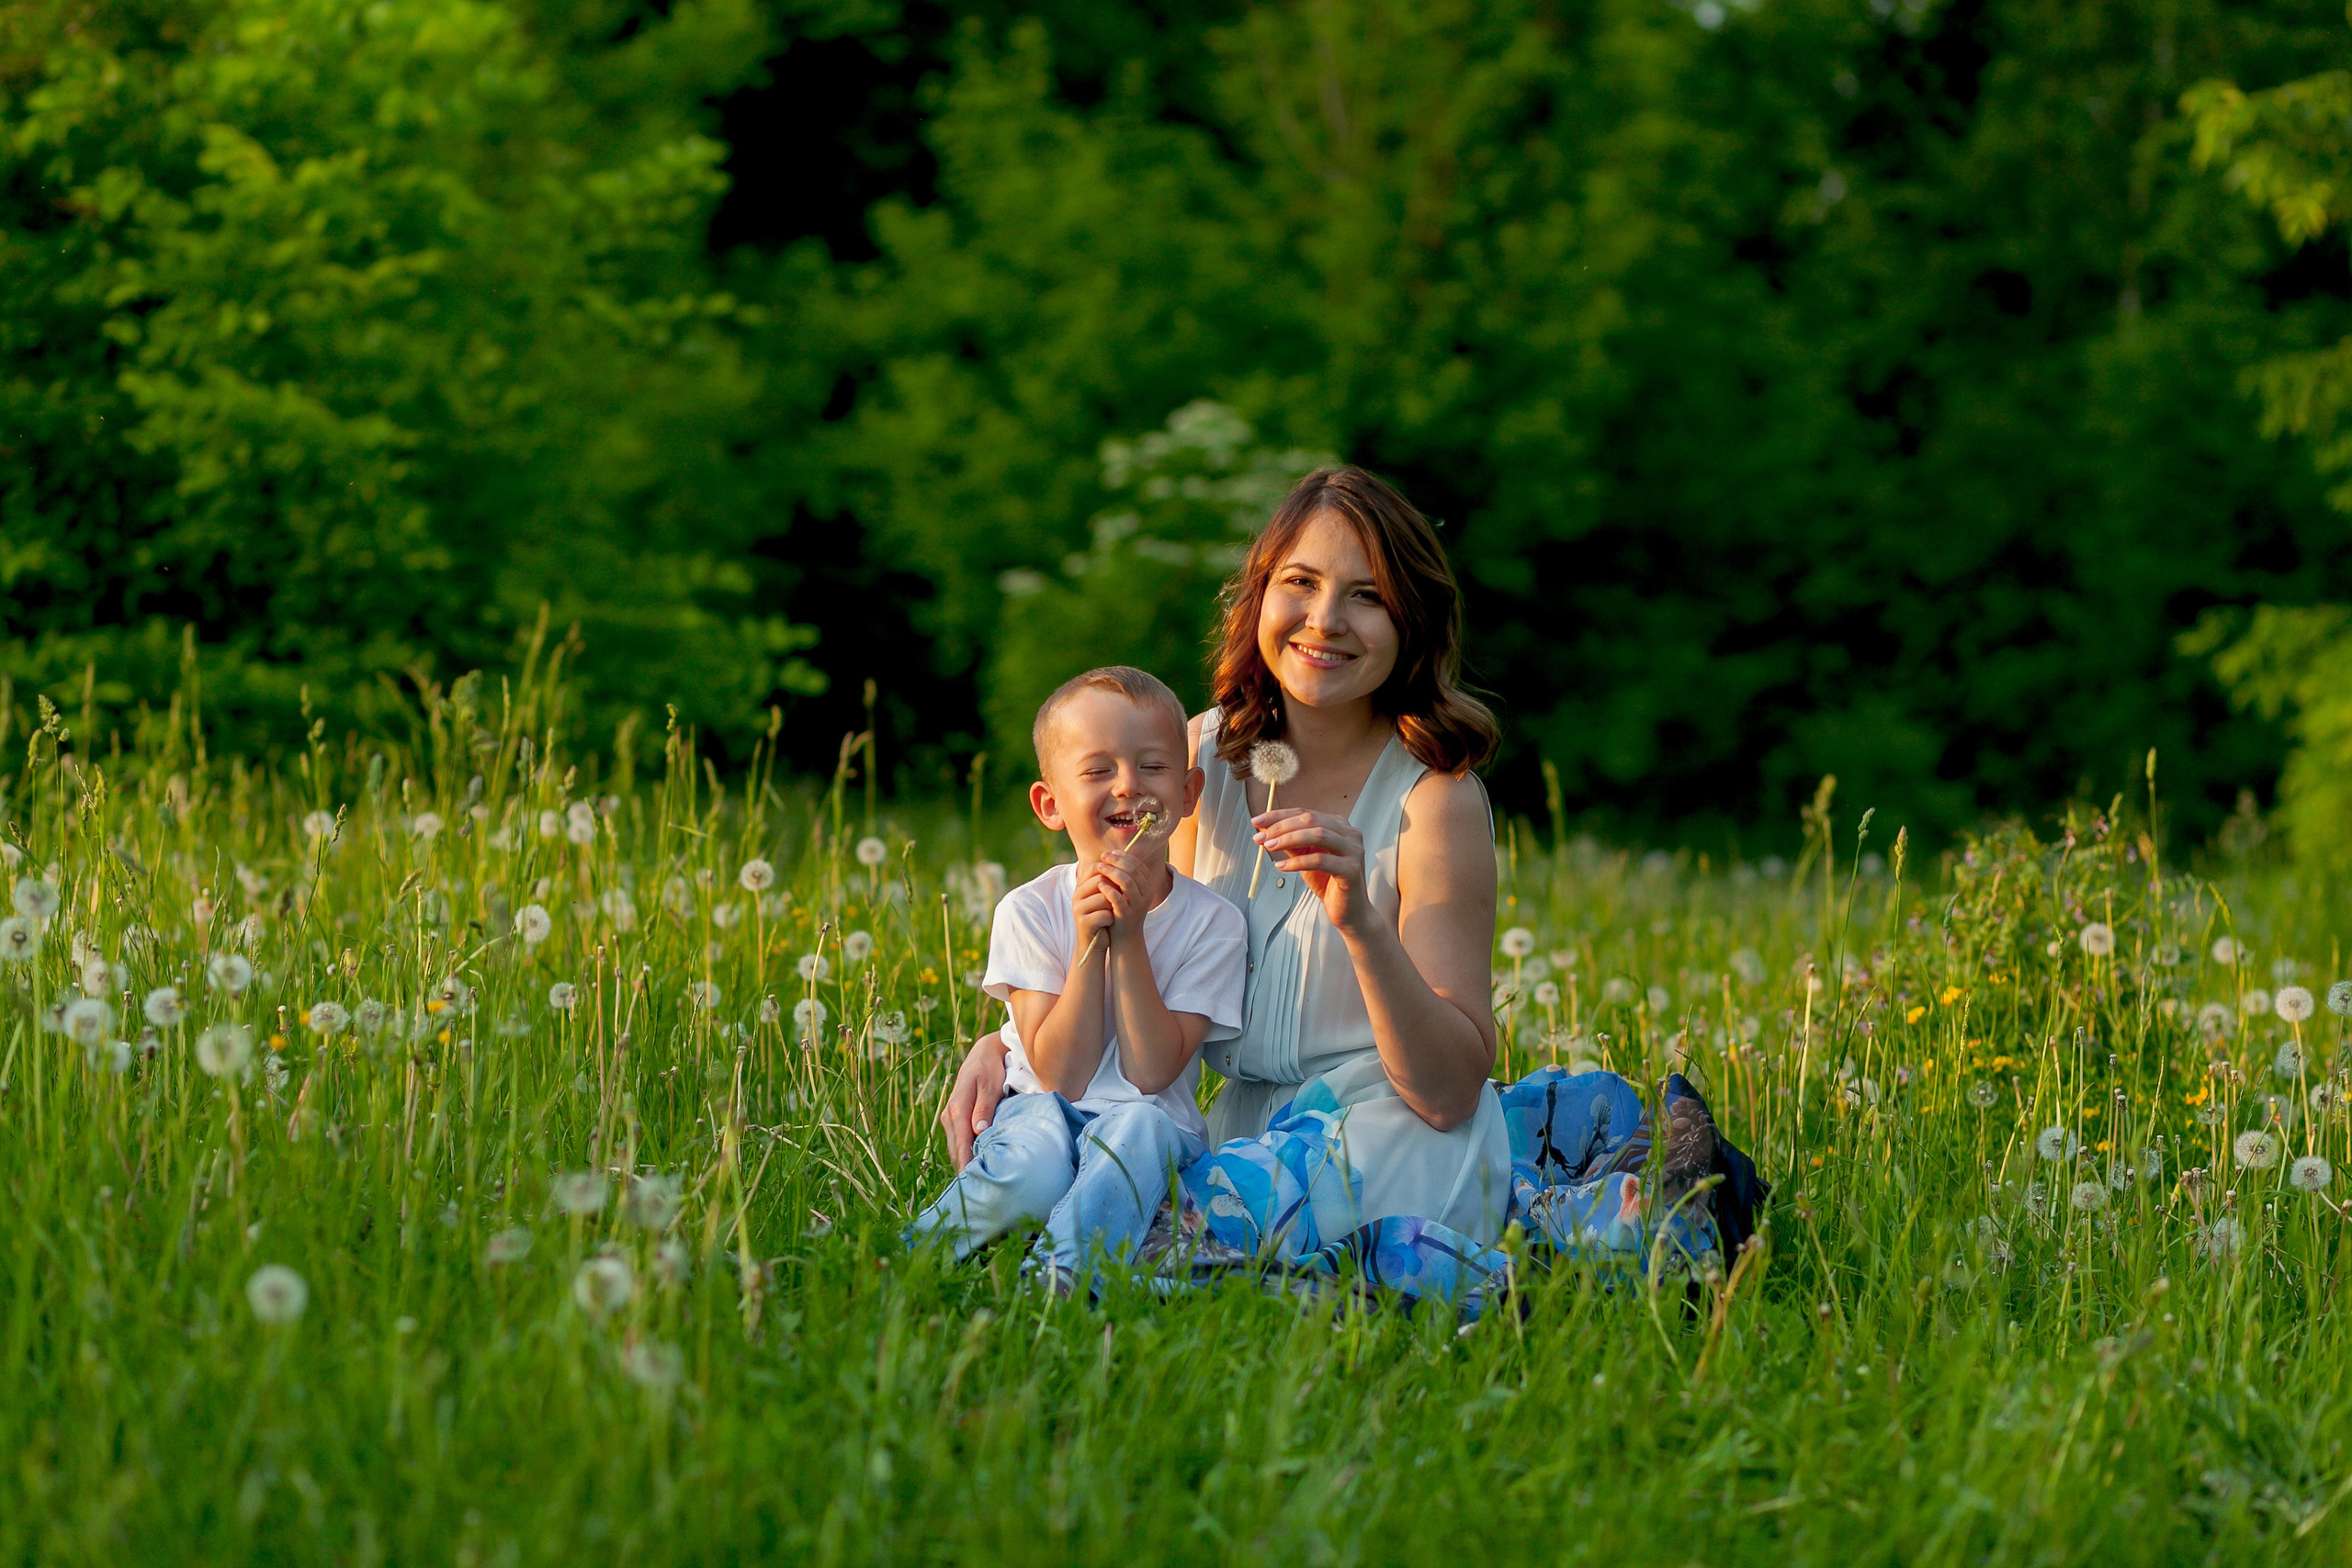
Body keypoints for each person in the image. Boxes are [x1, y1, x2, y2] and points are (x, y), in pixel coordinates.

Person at [941, 468, 1758, 1303]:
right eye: (1299, 583)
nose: (1324, 620)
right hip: (1237, 1137)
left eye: (1366, 596)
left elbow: (1445, 1091)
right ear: (1258, 596)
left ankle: (1560, 1249)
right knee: (1097, 1194)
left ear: (1409, 624)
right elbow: (1131, 955)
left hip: (1385, 1134)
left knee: (1129, 1250)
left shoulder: (1434, 802)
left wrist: (1361, 921)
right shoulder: (1195, 762)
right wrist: (1004, 1047)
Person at [908, 666, 1247, 1288]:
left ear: (1191, 791)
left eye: (1153, 766)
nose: (1129, 787)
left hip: (1153, 1134)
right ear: (1051, 804)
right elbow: (1061, 1074)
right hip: (1041, 1108)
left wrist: (1132, 936)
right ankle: (907, 1259)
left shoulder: (1215, 924)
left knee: (1140, 1126)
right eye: (1098, 770)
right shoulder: (1030, 910)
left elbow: (1150, 1073)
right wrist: (1090, 940)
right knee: (1037, 1158)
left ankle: (1057, 1279)